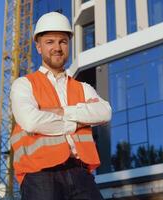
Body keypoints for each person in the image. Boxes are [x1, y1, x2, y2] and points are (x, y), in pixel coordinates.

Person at [10, 12, 112, 200]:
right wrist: (77, 122)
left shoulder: (83, 87)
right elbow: (32, 121)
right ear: (38, 47)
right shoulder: (24, 85)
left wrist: (62, 112)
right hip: (39, 176)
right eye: (50, 42)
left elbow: (104, 112)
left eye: (63, 42)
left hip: (81, 174)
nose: (57, 48)